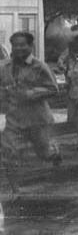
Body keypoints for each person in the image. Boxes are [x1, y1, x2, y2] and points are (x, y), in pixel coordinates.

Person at [0, 31, 62, 196]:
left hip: (37, 119)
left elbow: (54, 89)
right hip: (14, 119)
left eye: (23, 45)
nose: (19, 48)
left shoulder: (40, 66)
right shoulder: (4, 67)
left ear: (30, 46)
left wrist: (32, 93)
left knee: (44, 153)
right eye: (15, 45)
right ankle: (15, 191)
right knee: (8, 153)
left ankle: (54, 152)